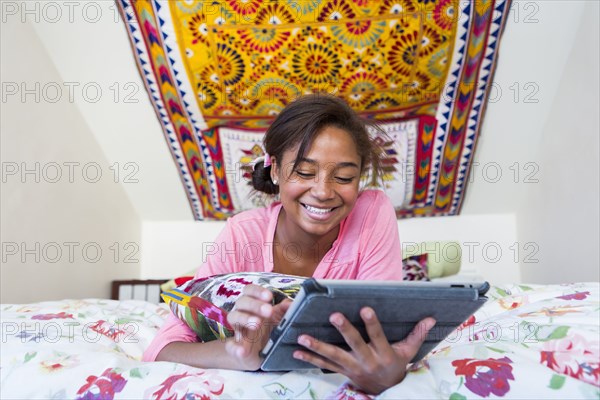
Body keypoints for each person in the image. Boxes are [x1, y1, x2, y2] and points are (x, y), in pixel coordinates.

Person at [143, 94, 435, 394]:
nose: (323, 191)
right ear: (274, 171)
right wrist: (235, 353)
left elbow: (382, 340)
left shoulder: (372, 213)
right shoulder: (242, 234)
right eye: (304, 172)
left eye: (344, 177)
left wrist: (388, 372)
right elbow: (162, 349)